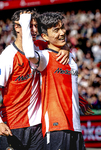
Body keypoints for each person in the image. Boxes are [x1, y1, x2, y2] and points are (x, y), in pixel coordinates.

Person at [0, 9, 70, 150]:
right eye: (29, 25)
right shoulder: (7, 57)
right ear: (17, 27)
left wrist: (66, 48)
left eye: (35, 26)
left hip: (37, 127)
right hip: (13, 126)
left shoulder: (39, 45)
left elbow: (58, 42)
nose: (34, 30)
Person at [20, 11, 86, 149]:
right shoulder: (45, 57)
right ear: (45, 36)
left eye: (62, 28)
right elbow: (30, 53)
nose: (62, 33)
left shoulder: (71, 57)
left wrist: (66, 48)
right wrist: (25, 21)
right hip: (56, 126)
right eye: (56, 30)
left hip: (76, 126)